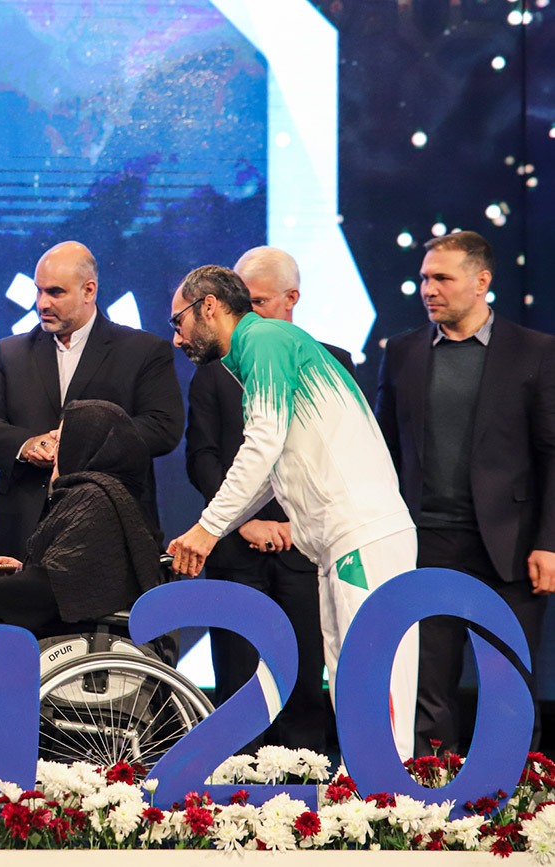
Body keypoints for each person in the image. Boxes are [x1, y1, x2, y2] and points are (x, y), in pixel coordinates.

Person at [166, 264, 418, 760]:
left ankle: (395, 791)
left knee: (376, 672)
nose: (177, 338)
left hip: (362, 533)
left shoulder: (264, 339)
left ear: (209, 306)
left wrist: (209, 528)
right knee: (349, 674)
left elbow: (262, 445)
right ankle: (368, 786)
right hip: (340, 541)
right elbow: (271, 469)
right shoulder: (258, 350)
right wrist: (211, 529)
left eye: (178, 322)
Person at [375, 230, 555, 755]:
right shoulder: (403, 351)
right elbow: (384, 452)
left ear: (481, 282)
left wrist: (548, 543)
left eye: (442, 278)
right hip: (425, 543)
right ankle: (430, 794)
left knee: (510, 685)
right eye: (424, 278)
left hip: (510, 547)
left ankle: (517, 793)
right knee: (427, 688)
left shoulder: (535, 351)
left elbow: (551, 454)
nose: (428, 289)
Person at [184, 247, 351, 753]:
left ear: (291, 298)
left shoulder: (330, 362)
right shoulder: (215, 367)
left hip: (305, 548)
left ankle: (307, 782)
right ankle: (233, 784)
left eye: (255, 301)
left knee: (305, 681)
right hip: (236, 552)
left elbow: (338, 458)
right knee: (237, 683)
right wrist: (241, 522)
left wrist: (298, 524)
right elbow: (203, 457)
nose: (244, 314)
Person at [0, 400, 164, 687]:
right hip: (63, 631)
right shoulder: (101, 494)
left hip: (63, 641)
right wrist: (23, 571)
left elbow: (52, 584)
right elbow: (76, 576)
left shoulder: (92, 499)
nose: (53, 446)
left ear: (85, 443)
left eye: (62, 437)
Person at [0, 241, 183, 560]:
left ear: (89, 290)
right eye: (39, 291)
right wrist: (30, 445)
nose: (42, 303)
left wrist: (74, 444)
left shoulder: (142, 350)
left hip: (109, 529)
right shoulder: (10, 352)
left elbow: (163, 427)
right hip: (21, 529)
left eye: (55, 292)